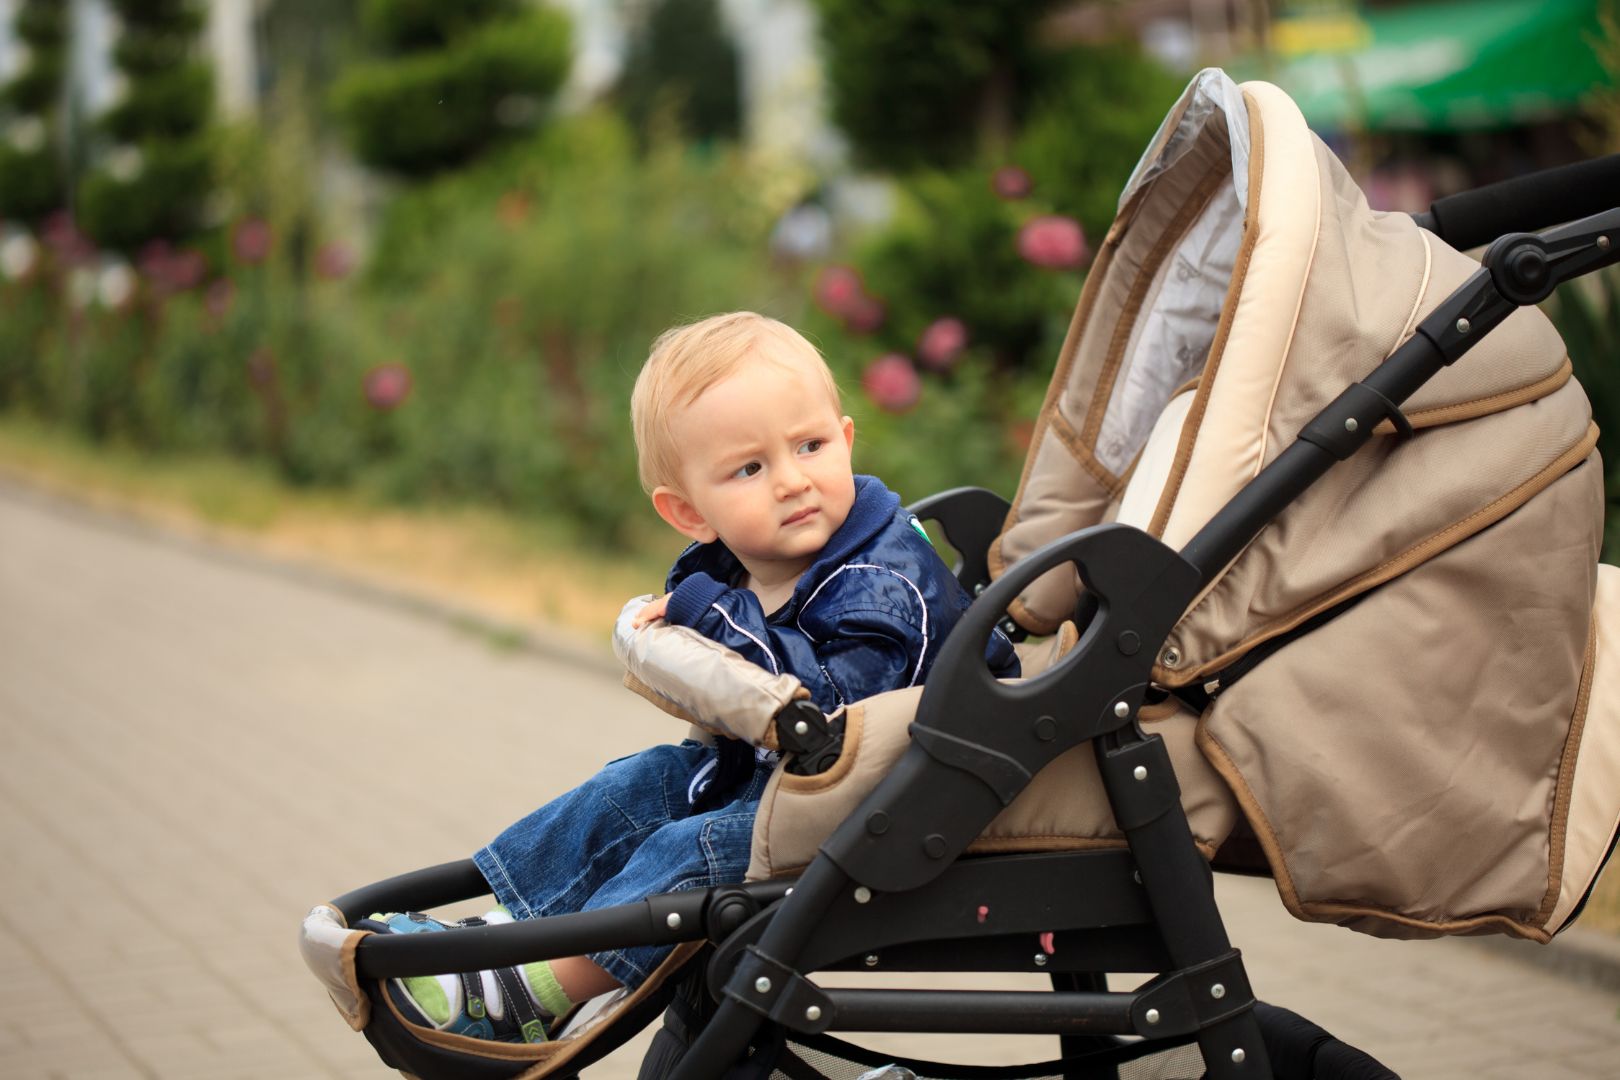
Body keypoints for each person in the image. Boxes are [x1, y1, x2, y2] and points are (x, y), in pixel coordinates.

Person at [364, 312, 1020, 1042]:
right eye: (750, 468)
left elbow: (826, 708)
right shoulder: (760, 560)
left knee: (695, 853)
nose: (793, 481)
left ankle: (533, 998)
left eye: (810, 446)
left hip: (901, 797)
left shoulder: (880, 578)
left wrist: (708, 614)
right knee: (633, 787)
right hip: (794, 781)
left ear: (846, 438)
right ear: (689, 513)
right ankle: (501, 934)